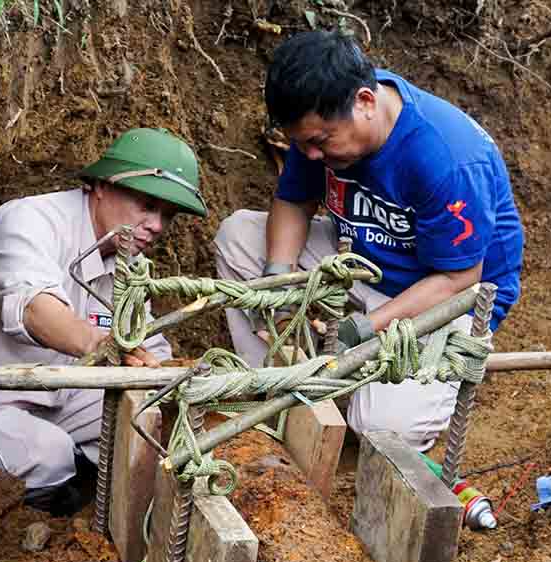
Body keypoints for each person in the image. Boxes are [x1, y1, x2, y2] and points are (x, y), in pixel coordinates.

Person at [214, 31, 524, 451]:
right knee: (239, 237)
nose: (310, 156)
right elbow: (293, 202)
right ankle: (275, 383)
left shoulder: (446, 157)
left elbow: (459, 279)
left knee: (384, 431)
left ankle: (368, 394)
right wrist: (278, 283)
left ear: (365, 101)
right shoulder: (325, 124)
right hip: (361, 261)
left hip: (447, 294)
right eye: (300, 144)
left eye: (319, 142)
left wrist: (361, 330)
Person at [0, 127, 208, 513]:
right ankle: (23, 521)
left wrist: (187, 377)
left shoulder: (128, 263)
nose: (157, 225)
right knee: (48, 456)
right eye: (147, 205)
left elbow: (146, 344)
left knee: (150, 419)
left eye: (167, 215)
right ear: (102, 186)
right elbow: (34, 307)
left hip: (60, 395)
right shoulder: (28, 221)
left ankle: (95, 501)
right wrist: (100, 344)